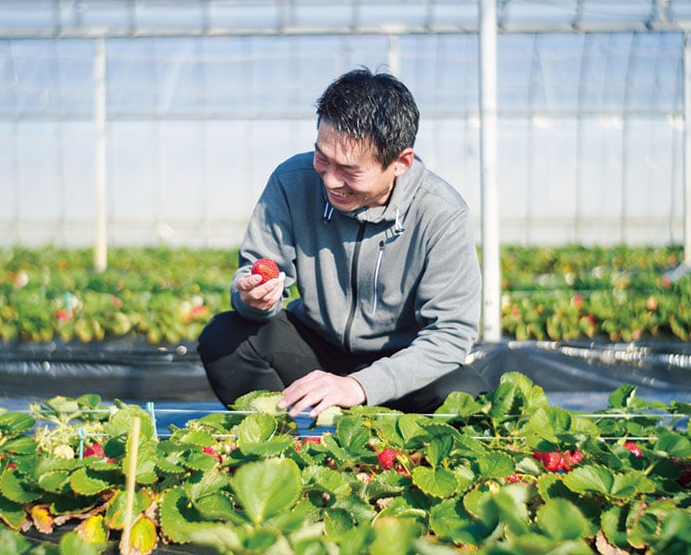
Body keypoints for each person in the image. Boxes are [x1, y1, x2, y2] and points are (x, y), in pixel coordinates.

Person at [197, 67, 489, 418]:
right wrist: (253, 299)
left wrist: (361, 386)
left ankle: (393, 446)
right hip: (315, 352)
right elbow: (257, 268)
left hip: (399, 363)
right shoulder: (292, 181)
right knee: (225, 338)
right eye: (323, 157)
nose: (331, 180)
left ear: (401, 162)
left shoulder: (441, 214)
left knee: (467, 397)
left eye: (350, 170)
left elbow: (451, 334)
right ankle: (284, 445)